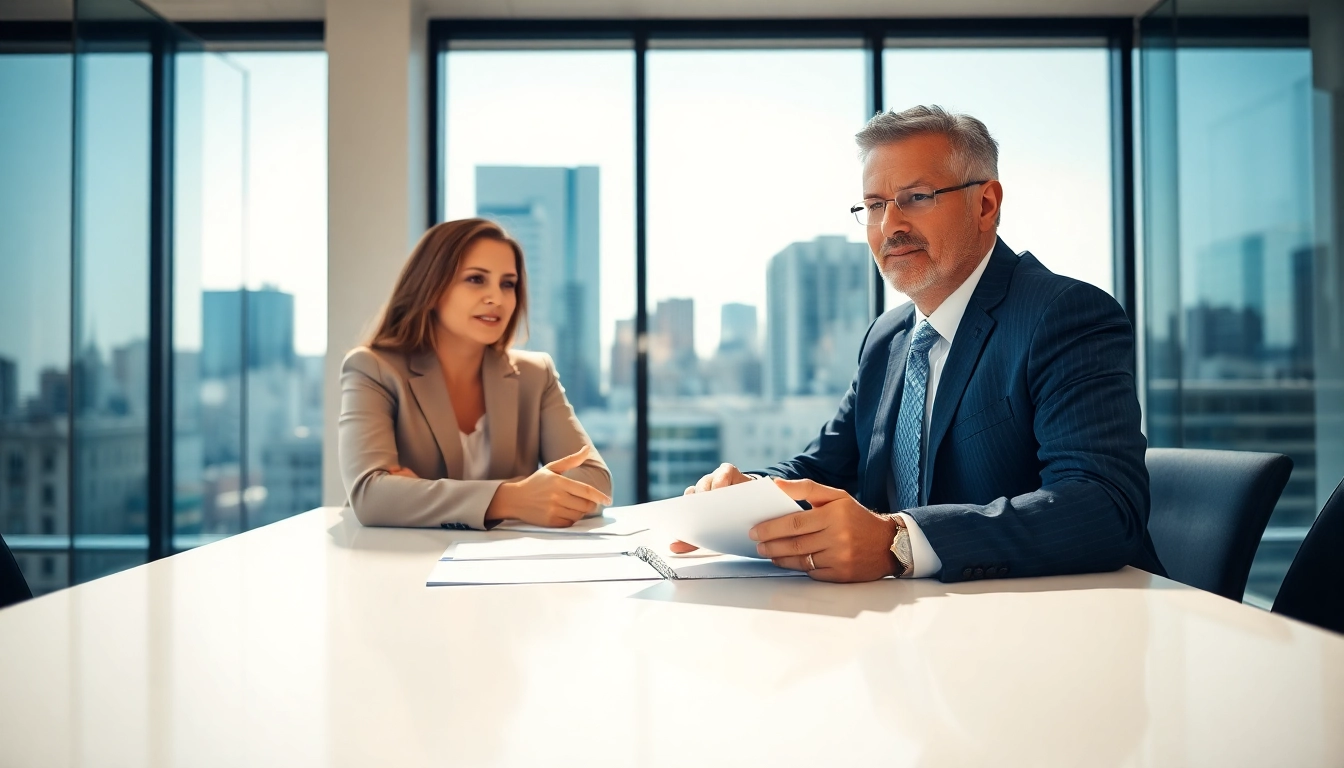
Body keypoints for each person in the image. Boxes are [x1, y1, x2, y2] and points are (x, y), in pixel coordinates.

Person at [683, 105, 1165, 584]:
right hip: (918, 628)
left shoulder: (1063, 314)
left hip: (1066, 624)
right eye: (874, 205)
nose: (890, 225)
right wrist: (743, 494)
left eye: (915, 197)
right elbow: (825, 467)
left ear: (985, 204)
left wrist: (900, 542)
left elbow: (1103, 505)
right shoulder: (887, 338)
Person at [339, 218, 613, 529]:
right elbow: (371, 497)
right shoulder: (372, 368)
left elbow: (596, 483)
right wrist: (516, 497)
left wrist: (418, 495)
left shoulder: (535, 375)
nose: (496, 298)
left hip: (505, 564)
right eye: (476, 279)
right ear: (431, 288)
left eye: (507, 284)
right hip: (397, 561)